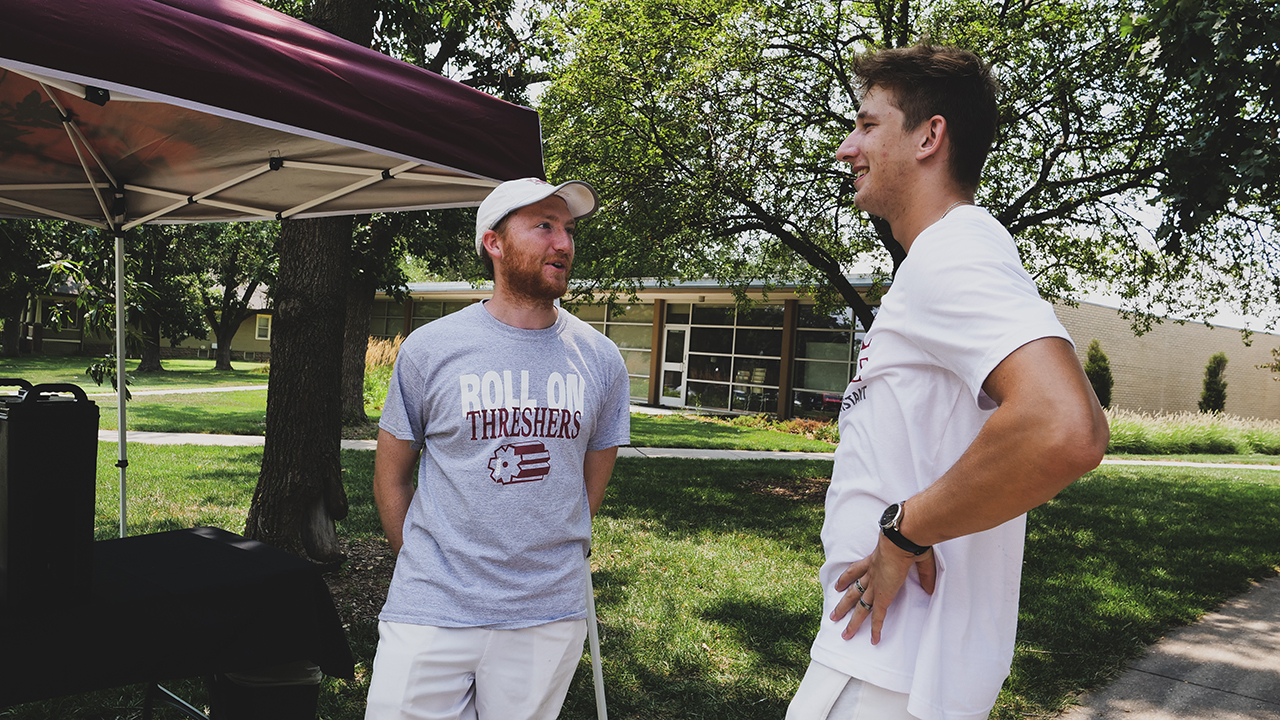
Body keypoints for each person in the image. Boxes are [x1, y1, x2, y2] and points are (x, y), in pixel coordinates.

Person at [787, 45, 1110, 720]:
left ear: (930, 135)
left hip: (889, 673)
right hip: (894, 669)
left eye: (868, 125)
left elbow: (1064, 428)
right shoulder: (943, 258)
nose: (847, 148)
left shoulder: (951, 250)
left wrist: (904, 533)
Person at [364, 178, 632, 720]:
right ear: (494, 242)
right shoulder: (430, 349)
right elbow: (391, 476)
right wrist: (421, 561)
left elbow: (589, 484)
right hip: (431, 607)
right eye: (544, 226)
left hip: (546, 616)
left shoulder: (600, 359)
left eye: (569, 230)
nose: (564, 243)